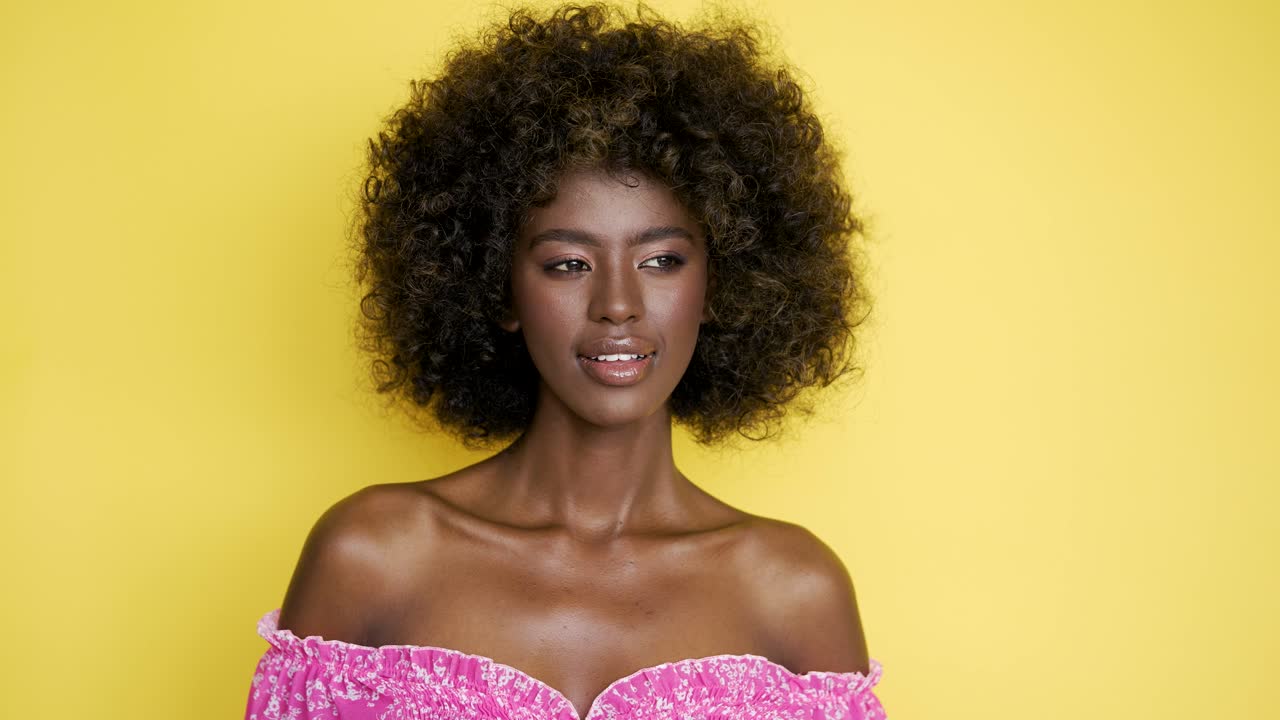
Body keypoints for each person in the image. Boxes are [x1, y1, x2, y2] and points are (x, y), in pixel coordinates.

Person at [244, 3, 885, 718]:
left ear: (721, 283)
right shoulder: (374, 556)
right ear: (497, 287)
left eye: (663, 260)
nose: (619, 304)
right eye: (569, 263)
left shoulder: (795, 591)